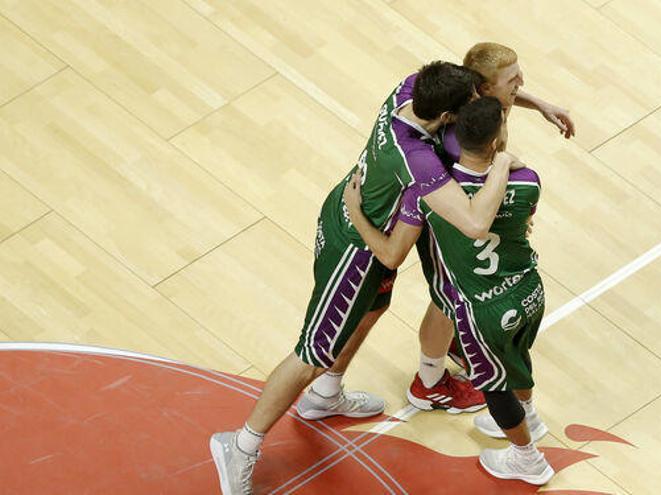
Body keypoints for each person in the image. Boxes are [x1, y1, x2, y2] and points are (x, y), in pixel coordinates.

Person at [209, 61, 520, 495]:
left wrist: (533, 101)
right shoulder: (418, 164)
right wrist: (503, 163)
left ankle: (325, 395)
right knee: (312, 352)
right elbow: (473, 222)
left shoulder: (408, 91)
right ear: (447, 117)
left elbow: (475, 82)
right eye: (466, 106)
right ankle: (240, 446)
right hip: (357, 251)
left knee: (374, 308)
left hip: (349, 213)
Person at [308, 42, 575, 416]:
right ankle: (430, 383)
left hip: (455, 207)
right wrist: (505, 183)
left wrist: (541, 105)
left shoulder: (476, 99)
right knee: (450, 296)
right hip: (446, 216)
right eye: (513, 79)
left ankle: (445, 350)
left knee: (444, 301)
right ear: (481, 90)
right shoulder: (458, 136)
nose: (521, 82)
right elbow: (469, 215)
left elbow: (504, 93)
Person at [344, 96, 554, 485]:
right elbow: (520, 222)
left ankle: (528, 459)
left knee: (494, 387)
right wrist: (505, 162)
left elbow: (391, 255)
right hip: (528, 289)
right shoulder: (529, 180)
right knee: (516, 355)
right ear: (498, 139)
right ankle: (531, 417)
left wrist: (356, 211)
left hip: (481, 310)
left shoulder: (429, 195)